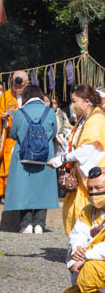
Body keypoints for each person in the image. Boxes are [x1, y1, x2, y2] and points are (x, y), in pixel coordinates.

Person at [48, 84, 105, 233]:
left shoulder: (96, 119)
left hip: (91, 177)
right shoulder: (84, 119)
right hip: (80, 175)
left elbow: (87, 150)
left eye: (74, 101)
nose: (72, 105)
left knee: (88, 215)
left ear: (87, 102)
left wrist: (62, 159)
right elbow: (77, 143)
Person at [4, 84, 59, 233]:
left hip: (24, 154)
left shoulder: (20, 113)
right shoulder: (50, 112)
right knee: (43, 189)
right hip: (45, 155)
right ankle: (40, 224)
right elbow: (54, 133)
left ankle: (26, 224)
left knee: (24, 189)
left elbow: (13, 134)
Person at [56, 166, 105, 293]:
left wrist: (86, 256)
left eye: (99, 188)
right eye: (90, 189)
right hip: (89, 264)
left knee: (89, 272)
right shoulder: (88, 211)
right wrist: (76, 252)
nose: (94, 193)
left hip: (96, 263)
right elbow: (77, 235)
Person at [0, 70, 28, 200]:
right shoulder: (5, 97)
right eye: (16, 84)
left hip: (27, 139)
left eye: (21, 85)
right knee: (9, 167)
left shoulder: (31, 96)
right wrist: (1, 118)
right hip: (10, 139)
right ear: (12, 82)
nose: (18, 88)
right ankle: (8, 194)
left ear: (27, 83)